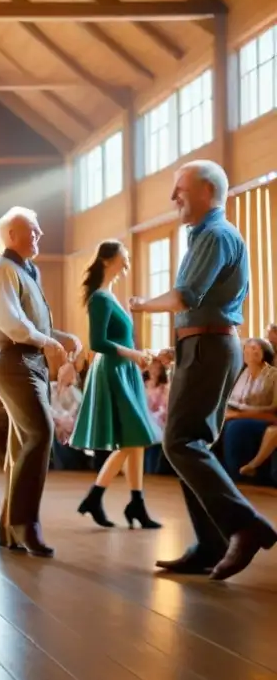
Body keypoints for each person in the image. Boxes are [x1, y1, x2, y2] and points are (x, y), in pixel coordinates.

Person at [130, 159, 277, 580]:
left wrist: (140, 305)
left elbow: (185, 296)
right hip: (202, 343)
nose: (173, 196)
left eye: (180, 188)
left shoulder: (214, 234)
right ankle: (212, 542)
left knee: (178, 442)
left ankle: (244, 526)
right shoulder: (207, 235)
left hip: (209, 344)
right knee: (191, 444)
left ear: (206, 193)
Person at [0, 207, 82, 557]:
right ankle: (26, 523)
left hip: (30, 362)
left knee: (20, 446)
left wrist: (63, 337)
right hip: (14, 362)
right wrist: (47, 341)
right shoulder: (4, 271)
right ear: (12, 235)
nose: (40, 235)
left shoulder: (26, 272)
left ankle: (8, 529)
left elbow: (35, 329)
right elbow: (12, 323)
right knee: (40, 434)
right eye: (33, 230)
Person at [70, 241, 161, 530]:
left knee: (137, 440)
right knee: (133, 438)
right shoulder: (100, 298)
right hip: (113, 371)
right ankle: (97, 497)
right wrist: (134, 354)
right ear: (108, 259)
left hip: (125, 370)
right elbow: (97, 343)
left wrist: (139, 355)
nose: (128, 262)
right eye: (125, 256)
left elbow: (119, 340)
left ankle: (133, 503)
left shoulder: (110, 296)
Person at [224, 338, 277, 477]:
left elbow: (273, 407)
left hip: (262, 416)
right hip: (236, 413)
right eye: (247, 348)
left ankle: (236, 474)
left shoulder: (273, 375)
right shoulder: (240, 373)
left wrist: (240, 413)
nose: (251, 351)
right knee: (213, 424)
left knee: (236, 426)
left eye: (256, 348)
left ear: (265, 352)